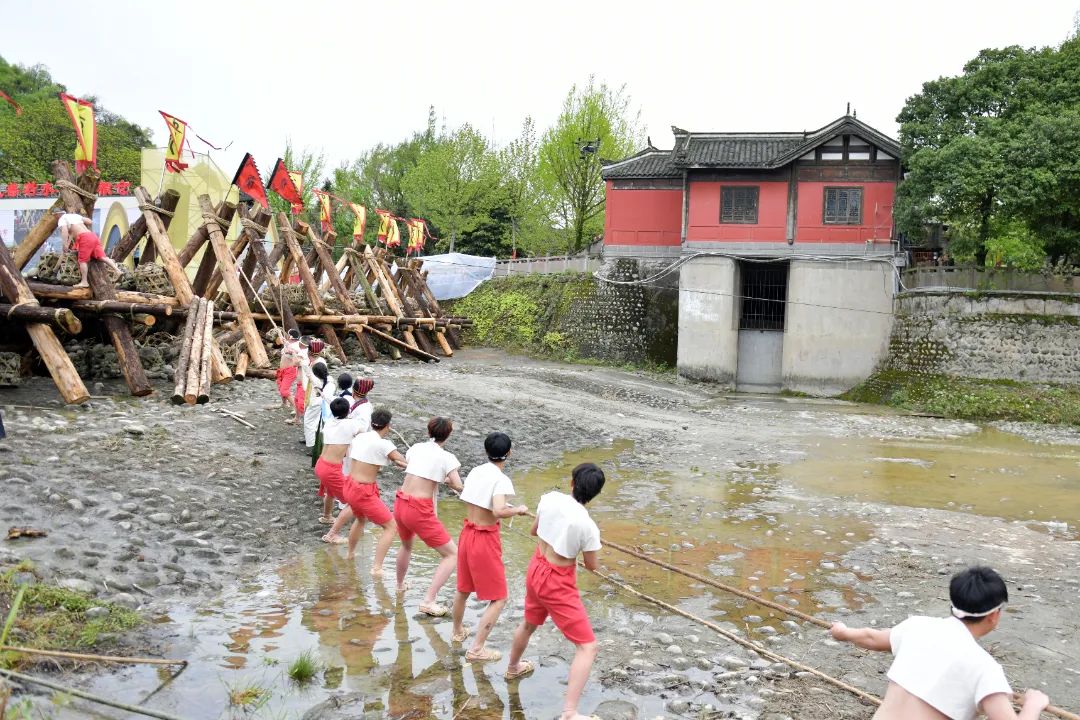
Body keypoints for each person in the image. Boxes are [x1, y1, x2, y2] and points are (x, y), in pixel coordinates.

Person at [830, 566, 1049, 720]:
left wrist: (843, 632)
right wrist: (1033, 704)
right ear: (994, 615)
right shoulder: (985, 669)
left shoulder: (917, 626)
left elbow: (872, 638)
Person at [504, 462, 605, 720]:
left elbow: (534, 530)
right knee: (588, 647)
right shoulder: (588, 526)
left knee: (528, 624)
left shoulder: (549, 499)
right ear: (594, 494)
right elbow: (592, 566)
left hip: (536, 568)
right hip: (558, 582)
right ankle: (569, 713)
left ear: (572, 483)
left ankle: (513, 667)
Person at [450, 432, 529, 662]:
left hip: (467, 533)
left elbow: (469, 495)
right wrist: (518, 510)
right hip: (484, 539)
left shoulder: (477, 470)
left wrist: (504, 505)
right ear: (509, 453)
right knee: (500, 598)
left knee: (463, 589)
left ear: (486, 451)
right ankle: (476, 649)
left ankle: (457, 632)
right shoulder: (501, 479)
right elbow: (498, 511)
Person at [395, 417, 463, 615]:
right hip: (418, 508)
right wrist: (447, 479)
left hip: (401, 501)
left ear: (428, 431)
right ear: (448, 435)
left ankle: (399, 586)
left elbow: (412, 465)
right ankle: (429, 600)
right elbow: (458, 485)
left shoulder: (416, 448)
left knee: (406, 545)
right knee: (452, 554)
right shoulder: (447, 457)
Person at [325, 408, 407, 573]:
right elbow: (401, 460)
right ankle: (376, 568)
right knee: (391, 527)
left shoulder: (361, 437)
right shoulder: (385, 444)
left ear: (371, 422)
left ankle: (350, 554)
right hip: (363, 491)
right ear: (388, 426)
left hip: (350, 486)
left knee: (361, 519)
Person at [314, 398, 368, 528]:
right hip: (331, 469)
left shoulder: (328, 423)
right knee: (353, 499)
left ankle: (327, 517)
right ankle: (335, 532)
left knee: (330, 492)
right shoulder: (350, 425)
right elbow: (364, 429)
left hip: (321, 464)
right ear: (348, 411)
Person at [57, 212, 123, 289]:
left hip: (84, 238)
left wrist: (64, 245)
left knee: (82, 260)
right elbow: (89, 221)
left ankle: (84, 282)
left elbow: (64, 231)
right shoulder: (74, 216)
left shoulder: (62, 219)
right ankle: (117, 270)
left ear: (57, 215)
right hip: (92, 236)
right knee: (102, 257)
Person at [301, 339, 331, 449]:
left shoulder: (319, 364)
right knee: (312, 420)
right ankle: (310, 439)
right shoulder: (319, 360)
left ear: (310, 352)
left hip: (316, 396)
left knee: (309, 421)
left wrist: (307, 371)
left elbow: (317, 382)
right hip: (313, 394)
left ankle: (311, 445)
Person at [276, 329, 304, 424]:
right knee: (280, 385)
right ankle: (284, 403)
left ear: (291, 337)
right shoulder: (288, 342)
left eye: (288, 335)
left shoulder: (296, 345)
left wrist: (290, 350)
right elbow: (283, 340)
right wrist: (279, 331)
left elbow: (296, 351)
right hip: (282, 370)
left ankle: (296, 409)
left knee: (284, 390)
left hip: (290, 371)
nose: (287, 336)